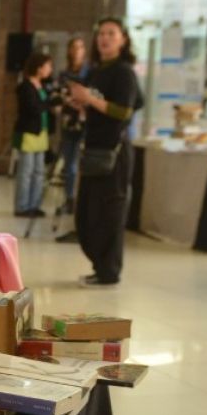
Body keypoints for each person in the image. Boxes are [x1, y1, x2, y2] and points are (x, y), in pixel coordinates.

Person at [72, 18, 143, 286]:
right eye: (101, 33)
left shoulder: (124, 72)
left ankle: (109, 271)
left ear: (123, 39)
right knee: (87, 213)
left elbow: (125, 110)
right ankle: (99, 265)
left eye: (111, 34)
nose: (105, 38)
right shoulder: (96, 71)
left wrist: (90, 99)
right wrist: (82, 104)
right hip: (93, 149)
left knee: (109, 213)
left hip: (114, 152)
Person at [55, 36, 91, 238]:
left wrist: (84, 101)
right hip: (69, 124)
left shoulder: (89, 73)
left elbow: (93, 96)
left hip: (86, 124)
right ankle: (69, 198)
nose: (77, 51)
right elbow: (59, 95)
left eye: (80, 47)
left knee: (81, 164)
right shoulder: (64, 74)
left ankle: (80, 201)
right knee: (69, 164)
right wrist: (70, 100)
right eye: (74, 47)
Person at [12, 51, 54, 218]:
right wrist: (50, 103)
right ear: (38, 68)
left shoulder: (42, 86)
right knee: (26, 172)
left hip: (40, 133)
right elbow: (33, 108)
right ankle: (22, 206)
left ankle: (34, 205)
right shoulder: (25, 87)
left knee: (38, 172)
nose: (50, 69)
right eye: (47, 66)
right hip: (28, 133)